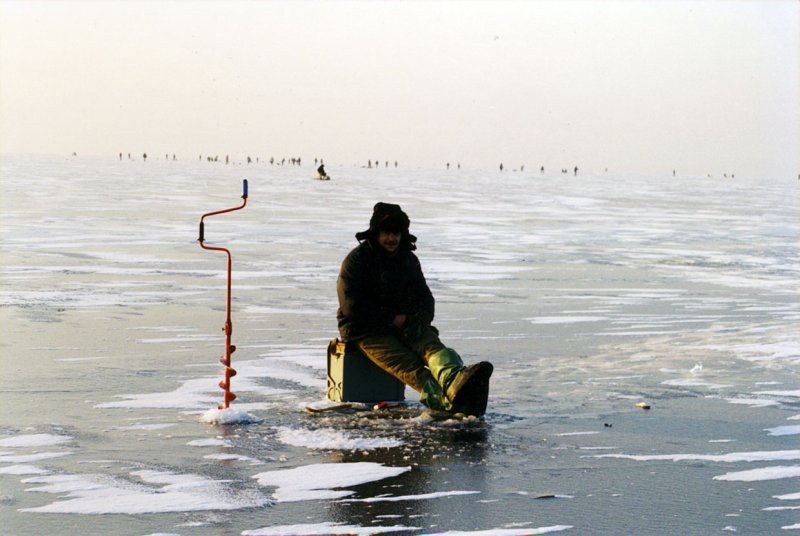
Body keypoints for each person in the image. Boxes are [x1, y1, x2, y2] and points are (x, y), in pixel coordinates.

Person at [336, 202, 493, 416]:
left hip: (405, 323)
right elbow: (351, 306)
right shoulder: (356, 261)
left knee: (431, 346)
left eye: (396, 233)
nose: (392, 239)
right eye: (386, 233)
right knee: (410, 367)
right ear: (375, 233)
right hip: (366, 330)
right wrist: (391, 318)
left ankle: (455, 380)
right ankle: (447, 403)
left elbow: (425, 297)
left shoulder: (407, 259)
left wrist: (419, 320)